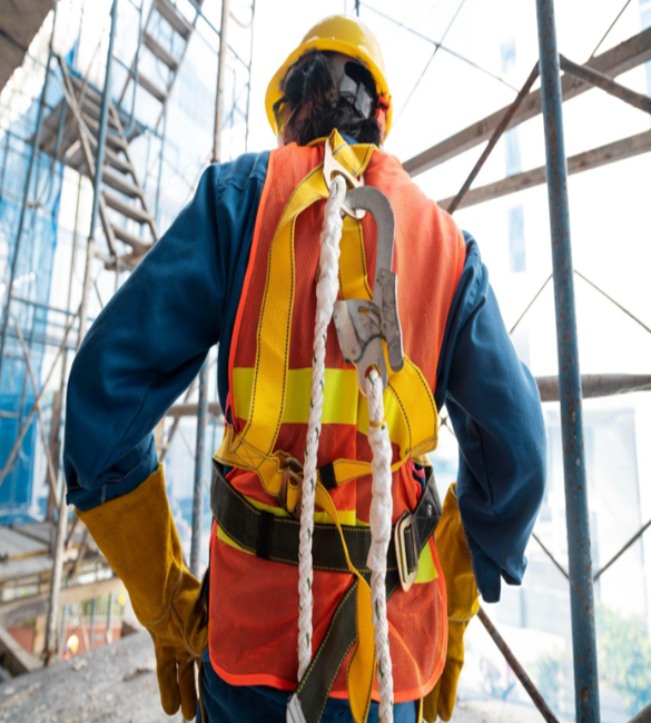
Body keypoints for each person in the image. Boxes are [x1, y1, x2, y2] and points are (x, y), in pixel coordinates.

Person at [63, 14, 546, 723]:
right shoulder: (445, 247)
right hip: (389, 653)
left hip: (248, 634)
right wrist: (459, 593)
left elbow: (103, 394)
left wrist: (162, 595)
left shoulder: (237, 204)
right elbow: (518, 452)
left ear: (287, 112)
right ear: (378, 113)